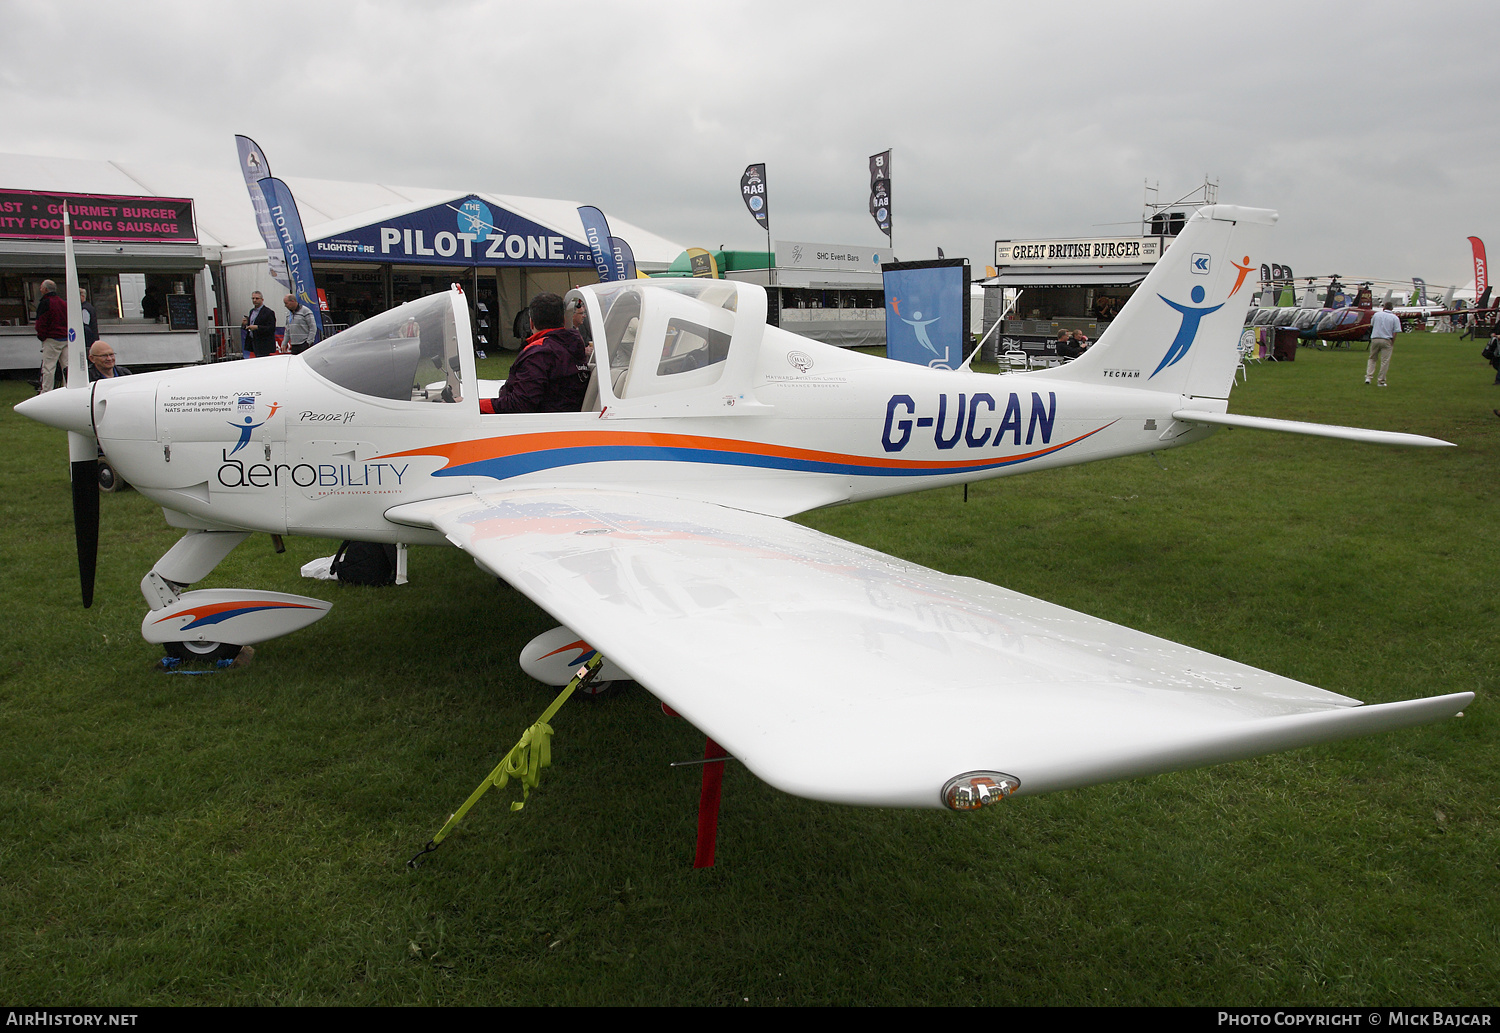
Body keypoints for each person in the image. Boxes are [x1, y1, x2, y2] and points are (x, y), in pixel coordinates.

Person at [480, 292, 589, 414]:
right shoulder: (574, 345)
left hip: (541, 425)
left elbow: (519, 405)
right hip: (564, 418)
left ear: (531, 323)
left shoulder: (539, 353)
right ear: (564, 320)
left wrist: (477, 406)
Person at [34, 279, 68, 392]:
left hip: (52, 339)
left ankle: (46, 392)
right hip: (66, 338)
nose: (40, 289)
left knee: (49, 367)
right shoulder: (63, 303)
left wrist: (41, 336)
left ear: (45, 289)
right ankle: (68, 389)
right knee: (67, 367)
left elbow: (41, 322)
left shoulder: (45, 303)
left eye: (41, 287)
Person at [1366, 301, 1401, 387]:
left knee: (1372, 358)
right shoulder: (1394, 318)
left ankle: (1368, 377)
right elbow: (1395, 332)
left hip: (1375, 338)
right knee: (1385, 361)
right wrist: (1392, 342)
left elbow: (1372, 325)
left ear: (1383, 308)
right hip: (1386, 339)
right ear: (1392, 309)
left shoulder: (1376, 315)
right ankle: (1380, 381)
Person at [242, 291, 276, 357]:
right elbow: (250, 326)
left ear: (262, 300)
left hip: (264, 344)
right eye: (253, 298)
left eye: (257, 298)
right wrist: (245, 324)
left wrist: (257, 327)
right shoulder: (252, 311)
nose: (254, 300)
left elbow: (271, 328)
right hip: (254, 342)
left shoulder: (268, 312)